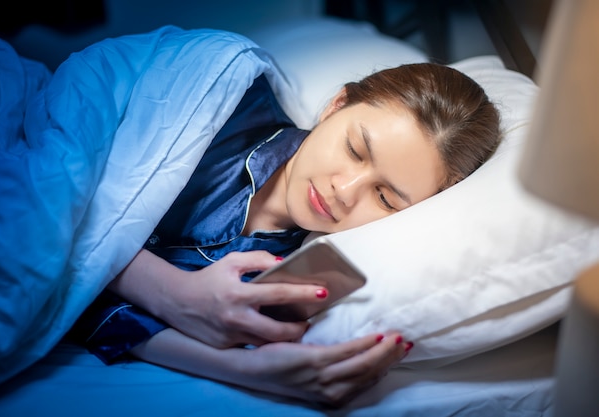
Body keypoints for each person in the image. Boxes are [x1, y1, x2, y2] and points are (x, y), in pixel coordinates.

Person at [67, 62, 502, 405]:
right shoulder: (221, 107)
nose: (344, 191)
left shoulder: (288, 276)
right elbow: (65, 212)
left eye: (386, 199)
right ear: (336, 105)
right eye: (354, 149)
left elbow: (92, 310)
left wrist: (248, 369)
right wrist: (173, 291)